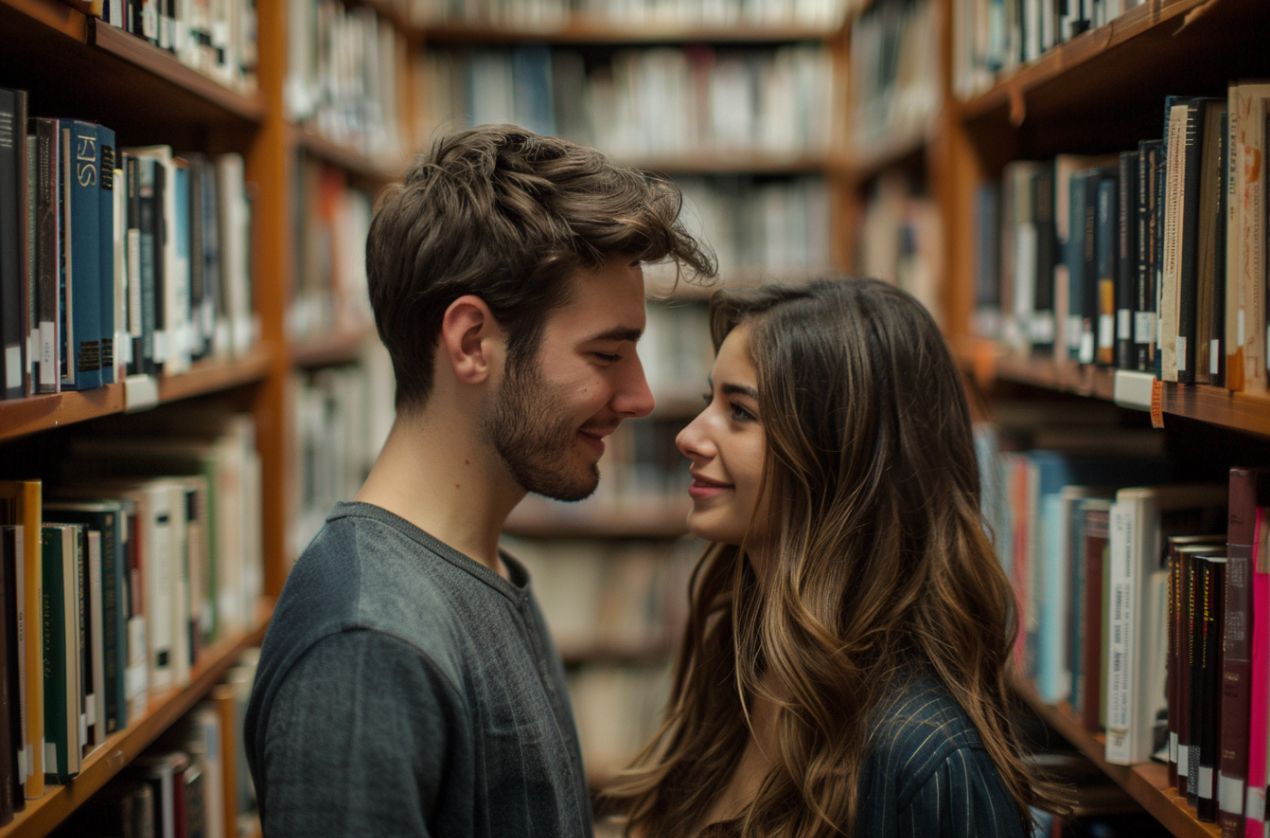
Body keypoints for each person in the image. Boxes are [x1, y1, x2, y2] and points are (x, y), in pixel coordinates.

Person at [243, 125, 715, 837]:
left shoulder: (479, 567)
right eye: (607, 353)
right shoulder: (368, 647)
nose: (641, 397)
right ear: (471, 343)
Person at [603, 278, 1070, 838]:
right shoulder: (741, 662)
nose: (688, 436)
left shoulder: (930, 759)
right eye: (710, 401)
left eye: (741, 412)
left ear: (844, 454)